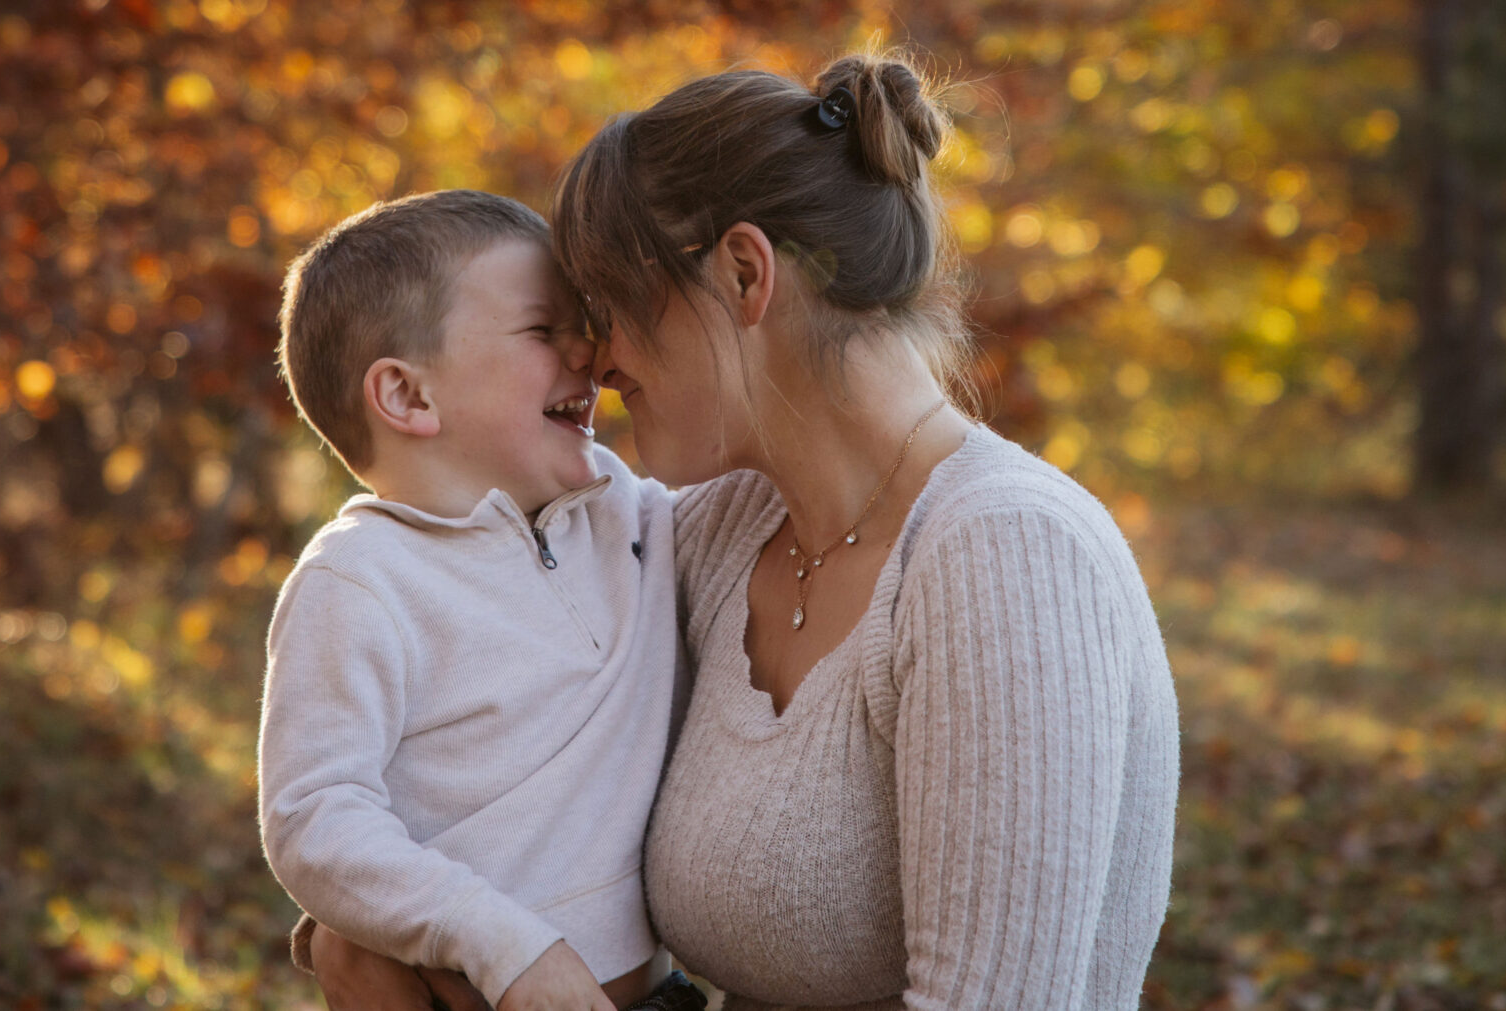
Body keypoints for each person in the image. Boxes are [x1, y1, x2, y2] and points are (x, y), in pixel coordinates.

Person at [311, 56, 1181, 1011]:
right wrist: (394, 934)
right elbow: (491, 717)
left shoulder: (1008, 556)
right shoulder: (719, 534)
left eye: (605, 307)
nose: (595, 360)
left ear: (742, 273)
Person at [258, 190, 706, 1011]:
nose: (591, 351)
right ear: (408, 397)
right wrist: (497, 941)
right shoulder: (359, 580)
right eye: (544, 330)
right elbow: (314, 816)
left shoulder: (636, 516)